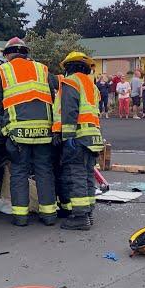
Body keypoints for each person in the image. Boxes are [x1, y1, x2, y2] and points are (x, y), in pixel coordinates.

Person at [0, 37, 57, 227]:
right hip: (44, 131)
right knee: (44, 171)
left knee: (19, 172)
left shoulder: (2, 71)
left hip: (18, 133)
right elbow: (53, 96)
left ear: (8, 55)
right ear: (25, 53)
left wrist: (3, 126)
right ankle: (49, 215)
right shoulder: (41, 69)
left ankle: (21, 217)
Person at [52, 51, 104, 230]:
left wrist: (67, 137)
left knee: (76, 175)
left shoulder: (71, 82)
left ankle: (80, 217)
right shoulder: (92, 86)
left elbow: (69, 112)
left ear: (69, 67)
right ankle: (88, 212)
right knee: (88, 174)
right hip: (93, 136)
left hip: (78, 136)